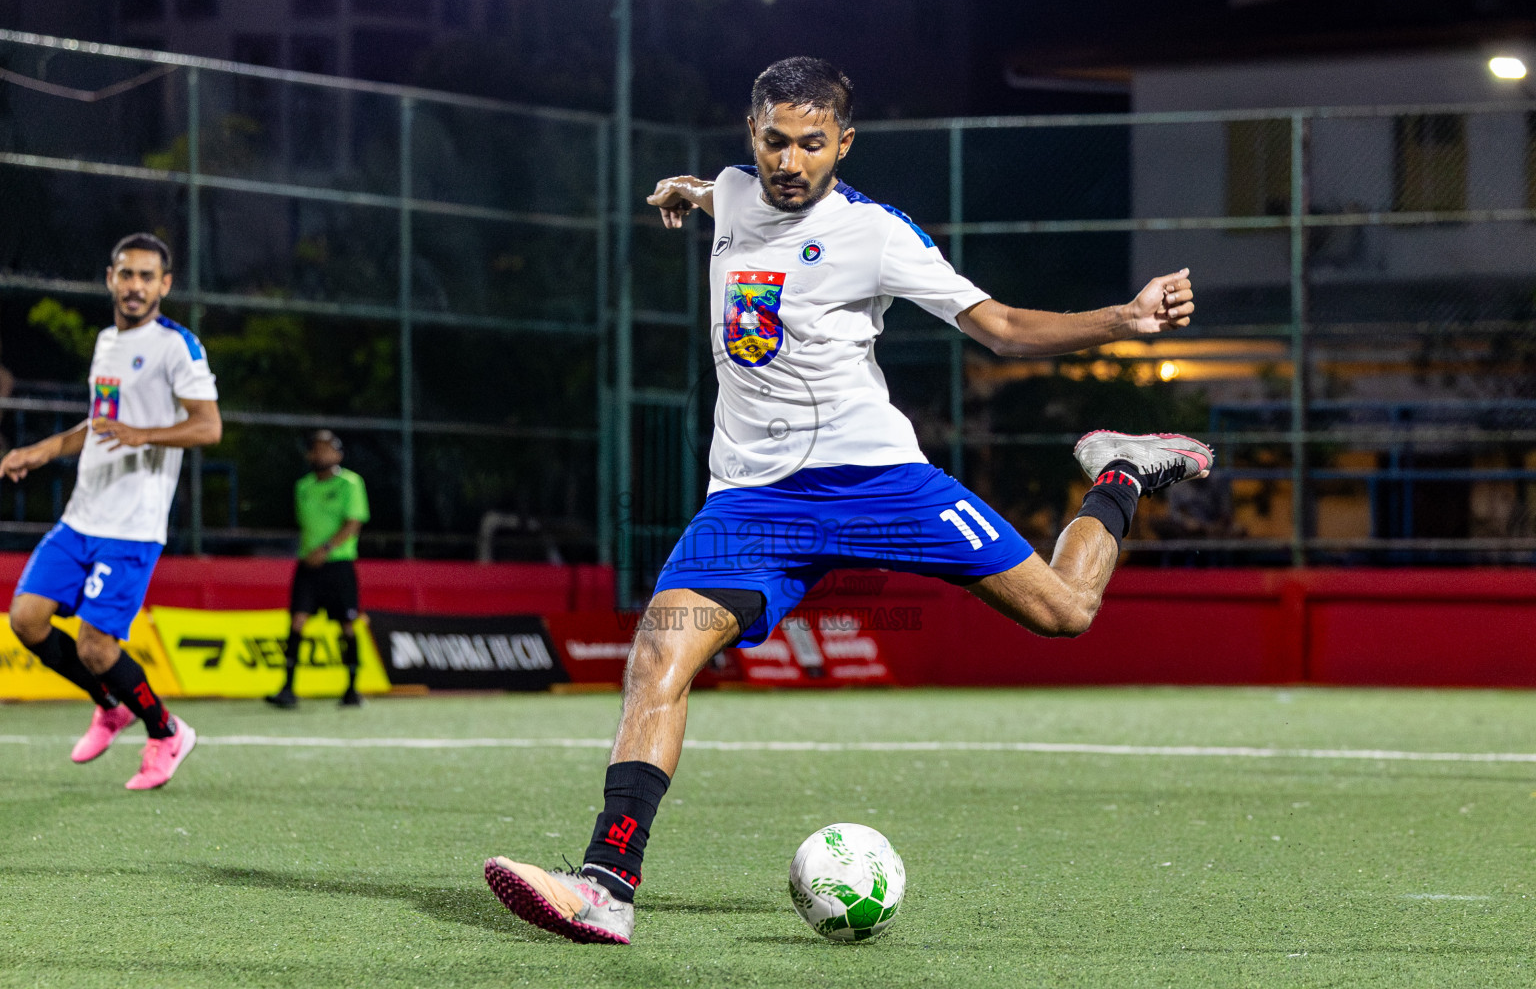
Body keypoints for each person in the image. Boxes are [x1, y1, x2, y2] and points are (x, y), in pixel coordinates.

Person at [482, 58, 1214, 944]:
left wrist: (1122, 319)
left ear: (844, 144)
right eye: (774, 142)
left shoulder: (875, 233)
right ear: (752, 137)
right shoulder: (735, 192)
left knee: (1064, 613)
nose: (790, 162)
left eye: (812, 144)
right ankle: (606, 884)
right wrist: (687, 190)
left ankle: (1121, 472)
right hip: (750, 502)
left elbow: (1003, 329)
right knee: (656, 657)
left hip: (877, 481)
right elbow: (723, 194)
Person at [2, 232, 220, 790]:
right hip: (81, 516)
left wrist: (143, 434)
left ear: (165, 285)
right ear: (110, 278)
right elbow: (99, 426)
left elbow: (208, 426)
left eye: (148, 277)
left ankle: (167, 731)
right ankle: (110, 705)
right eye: (127, 274)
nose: (136, 286)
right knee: (26, 620)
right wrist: (43, 449)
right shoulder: (106, 342)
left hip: (132, 526)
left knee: (95, 647)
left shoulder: (179, 346)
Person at [265, 429, 370, 709]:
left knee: (347, 625)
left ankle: (351, 689)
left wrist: (325, 550)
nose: (321, 454)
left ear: (338, 454)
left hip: (338, 564)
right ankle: (287, 688)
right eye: (316, 449)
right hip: (308, 566)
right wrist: (311, 555)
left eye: (327, 449)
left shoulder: (351, 483)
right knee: (297, 621)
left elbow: (353, 523)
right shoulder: (303, 487)